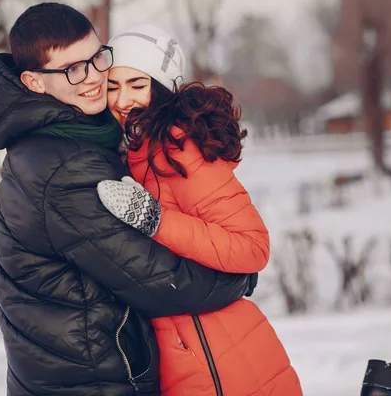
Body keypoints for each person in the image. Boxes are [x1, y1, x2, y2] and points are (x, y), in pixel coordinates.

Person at [0, 3, 256, 396]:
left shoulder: (66, 136)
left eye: (97, 58)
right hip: (93, 380)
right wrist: (234, 277)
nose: (94, 78)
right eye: (73, 69)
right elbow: (156, 282)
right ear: (35, 83)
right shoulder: (66, 165)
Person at [97, 25, 303, 395]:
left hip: (220, 357)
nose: (121, 99)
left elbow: (252, 246)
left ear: (159, 88)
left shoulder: (179, 148)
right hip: (186, 351)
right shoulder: (137, 151)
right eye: (112, 86)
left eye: (136, 85)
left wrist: (155, 220)